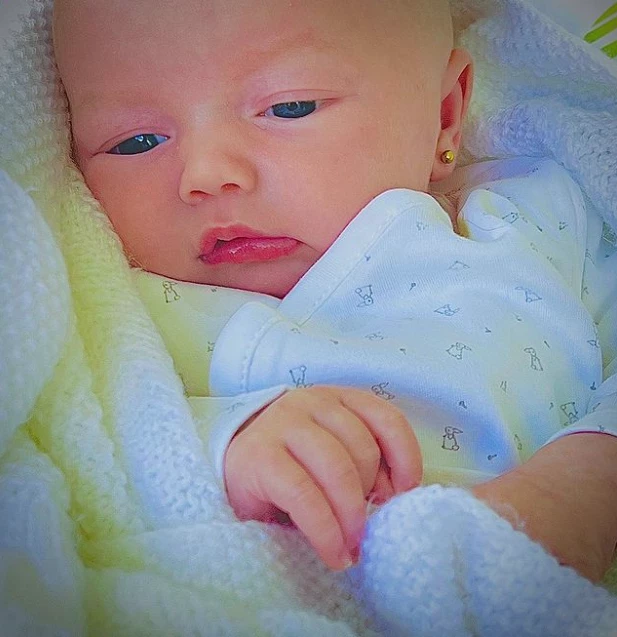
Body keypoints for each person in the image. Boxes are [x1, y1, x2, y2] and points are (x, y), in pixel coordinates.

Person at [52, 0, 617, 581]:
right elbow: (85, 439)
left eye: (289, 107)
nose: (205, 174)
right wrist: (225, 443)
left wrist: (584, 477)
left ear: (444, 115)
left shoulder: (531, 223)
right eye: (137, 142)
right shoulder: (117, 310)